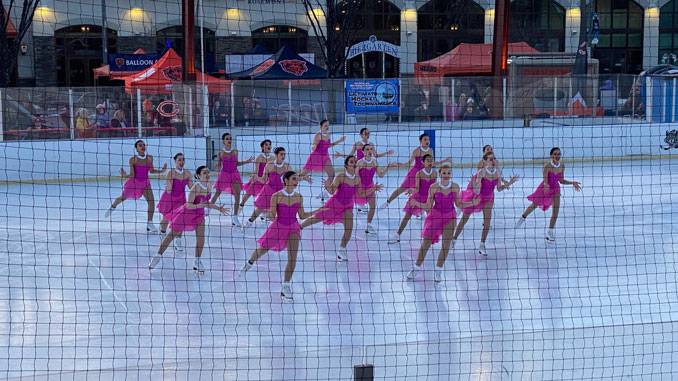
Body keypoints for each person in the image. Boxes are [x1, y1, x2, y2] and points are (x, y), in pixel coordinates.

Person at [237, 171, 324, 302]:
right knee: (262, 250)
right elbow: (272, 215)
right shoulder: (276, 196)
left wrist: (319, 210)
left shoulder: (299, 197)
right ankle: (249, 263)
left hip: (293, 228)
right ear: (286, 180)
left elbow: (302, 216)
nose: (297, 181)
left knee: (292, 258)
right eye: (294, 179)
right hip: (278, 227)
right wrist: (270, 214)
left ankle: (286, 286)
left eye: (297, 179)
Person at [404, 163, 478, 282]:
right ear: (439, 174)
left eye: (448, 173)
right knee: (425, 244)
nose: (446, 175)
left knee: (446, 246)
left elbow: (459, 204)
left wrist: (472, 203)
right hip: (435, 216)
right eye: (444, 173)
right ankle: (416, 268)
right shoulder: (434, 187)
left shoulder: (455, 187)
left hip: (450, 217)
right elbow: (428, 205)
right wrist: (416, 203)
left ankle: (438, 271)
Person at [300, 156, 383, 261]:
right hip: (335, 204)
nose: (354, 163)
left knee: (349, 227)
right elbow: (331, 192)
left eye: (355, 161)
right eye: (352, 162)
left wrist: (373, 189)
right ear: (346, 166)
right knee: (317, 218)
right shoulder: (340, 177)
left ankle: (342, 249)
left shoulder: (358, 179)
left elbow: (361, 194)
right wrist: (327, 186)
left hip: (348, 206)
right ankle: (299, 227)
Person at [149, 166, 229, 273]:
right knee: (171, 236)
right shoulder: (195, 188)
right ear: (199, 175)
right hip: (187, 214)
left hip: (199, 215)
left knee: (201, 238)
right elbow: (189, 205)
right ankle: (157, 257)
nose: (207, 174)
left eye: (208, 172)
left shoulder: (209, 185)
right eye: (204, 173)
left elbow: (206, 202)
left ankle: (197, 261)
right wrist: (199, 205)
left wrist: (218, 208)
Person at [452, 152, 519, 257]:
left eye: (494, 159)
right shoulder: (481, 172)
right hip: (477, 197)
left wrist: (510, 182)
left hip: (489, 198)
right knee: (464, 219)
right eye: (490, 159)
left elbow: (499, 189)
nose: (493, 161)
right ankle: (454, 239)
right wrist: (475, 185)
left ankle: (482, 245)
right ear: (485, 161)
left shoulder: (498, 172)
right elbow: (478, 191)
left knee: (487, 223)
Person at [515, 147, 582, 242]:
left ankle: (550, 232)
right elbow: (545, 180)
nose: (557, 156)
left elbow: (561, 181)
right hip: (545, 188)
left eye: (559, 154)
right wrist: (546, 185)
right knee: (535, 204)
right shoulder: (547, 166)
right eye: (555, 154)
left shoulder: (562, 165)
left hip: (555, 189)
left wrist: (572, 183)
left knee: (556, 211)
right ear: (551, 156)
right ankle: (523, 217)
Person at [104, 140, 168, 232]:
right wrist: (124, 176)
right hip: (134, 182)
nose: (142, 147)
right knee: (122, 198)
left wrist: (161, 171)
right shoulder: (133, 159)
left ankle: (149, 223)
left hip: (145, 183)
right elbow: (132, 174)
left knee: (151, 202)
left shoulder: (150, 158)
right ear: (136, 148)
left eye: (144, 145)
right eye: (140, 145)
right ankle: (113, 206)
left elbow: (151, 170)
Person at [244, 147, 312, 227]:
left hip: (280, 192)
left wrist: (304, 178)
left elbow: (294, 178)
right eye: (281, 154)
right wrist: (256, 178)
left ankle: (285, 226)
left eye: (284, 154)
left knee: (283, 210)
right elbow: (264, 180)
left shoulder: (287, 166)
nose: (283, 156)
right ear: (276, 155)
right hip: (268, 190)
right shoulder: (269, 165)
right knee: (259, 209)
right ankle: (248, 224)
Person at [381, 133, 451, 209]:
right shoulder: (417, 150)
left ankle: (418, 211)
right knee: (402, 189)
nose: (427, 141)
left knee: (423, 192)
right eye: (425, 139)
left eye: (428, 139)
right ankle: (388, 202)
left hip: (425, 174)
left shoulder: (430, 150)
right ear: (420, 141)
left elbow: (433, 163)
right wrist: (401, 164)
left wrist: (445, 160)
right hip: (414, 173)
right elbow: (409, 162)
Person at [388, 154, 437, 244]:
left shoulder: (435, 173)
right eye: (428, 160)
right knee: (407, 216)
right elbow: (417, 188)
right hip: (417, 197)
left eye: (431, 160)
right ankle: (397, 235)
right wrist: (412, 191)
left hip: (428, 199)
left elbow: (434, 187)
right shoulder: (419, 173)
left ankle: (429, 236)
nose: (430, 162)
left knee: (430, 217)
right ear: (423, 162)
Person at [211, 133, 254, 228]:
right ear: (223, 141)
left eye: (230, 138)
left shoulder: (235, 151)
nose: (229, 140)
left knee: (237, 196)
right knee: (217, 193)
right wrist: (217, 166)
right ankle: (207, 209)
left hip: (234, 174)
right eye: (227, 139)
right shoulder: (220, 153)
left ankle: (235, 217)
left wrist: (246, 162)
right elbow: (219, 164)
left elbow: (236, 164)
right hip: (224, 174)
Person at [298, 119, 346, 200]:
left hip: (325, 156)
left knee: (332, 174)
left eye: (328, 125)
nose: (327, 127)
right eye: (325, 125)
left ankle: (325, 192)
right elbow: (313, 145)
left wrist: (339, 141)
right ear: (321, 126)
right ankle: (289, 184)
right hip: (316, 156)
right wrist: (313, 147)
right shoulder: (318, 135)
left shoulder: (328, 134)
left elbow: (328, 146)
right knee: (302, 174)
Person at [356, 143, 397, 235]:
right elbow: (355, 177)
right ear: (362, 152)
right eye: (367, 149)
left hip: (371, 187)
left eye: (371, 149)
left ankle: (368, 226)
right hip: (360, 187)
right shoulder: (359, 163)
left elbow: (381, 175)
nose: (370, 151)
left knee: (372, 207)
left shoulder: (375, 161)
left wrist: (388, 167)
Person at [157, 153, 194, 251]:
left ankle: (178, 240)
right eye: (179, 160)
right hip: (169, 199)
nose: (181, 162)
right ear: (175, 161)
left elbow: (192, 187)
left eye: (183, 160)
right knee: (166, 218)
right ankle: (162, 232)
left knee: (180, 220)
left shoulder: (187, 173)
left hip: (181, 199)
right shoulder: (171, 172)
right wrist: (168, 185)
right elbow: (169, 188)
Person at [240, 139, 274, 209]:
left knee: (267, 196)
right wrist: (254, 180)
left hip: (267, 180)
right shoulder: (259, 157)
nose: (268, 146)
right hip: (258, 178)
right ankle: (241, 206)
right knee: (249, 193)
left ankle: (264, 213)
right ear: (262, 147)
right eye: (266, 144)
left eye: (269, 144)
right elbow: (256, 171)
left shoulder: (272, 158)